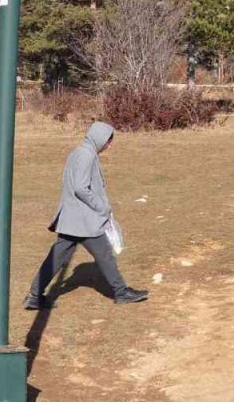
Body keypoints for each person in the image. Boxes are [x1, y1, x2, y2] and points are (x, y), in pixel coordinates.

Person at [24, 122, 148, 309]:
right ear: (100, 139)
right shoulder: (86, 155)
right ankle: (121, 292)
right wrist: (101, 207)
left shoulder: (79, 152)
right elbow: (81, 187)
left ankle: (34, 296)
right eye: (108, 141)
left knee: (57, 257)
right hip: (84, 219)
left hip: (73, 219)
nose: (110, 146)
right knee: (105, 255)